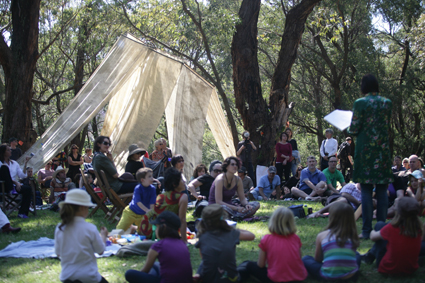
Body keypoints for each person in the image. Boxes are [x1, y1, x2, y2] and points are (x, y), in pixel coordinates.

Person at [348, 74, 393, 239]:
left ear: (364, 87)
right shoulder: (387, 103)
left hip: (365, 152)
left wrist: (349, 126)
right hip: (382, 152)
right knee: (382, 190)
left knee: (366, 190)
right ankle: (382, 229)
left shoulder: (360, 103)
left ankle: (366, 231)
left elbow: (353, 129)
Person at [238, 206, 307, 282]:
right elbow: (299, 258)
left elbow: (261, 264)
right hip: (298, 278)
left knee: (248, 265)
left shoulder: (267, 239)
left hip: (275, 279)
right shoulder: (295, 238)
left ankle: (236, 276)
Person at [54, 189, 109, 283]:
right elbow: (100, 251)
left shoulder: (60, 228)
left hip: (67, 277)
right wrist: (103, 236)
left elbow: (58, 253)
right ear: (83, 207)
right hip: (89, 277)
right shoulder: (90, 228)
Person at [125, 211, 193, 283]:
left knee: (129, 273)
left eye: (156, 227)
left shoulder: (158, 246)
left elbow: (144, 271)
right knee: (155, 265)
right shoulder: (182, 244)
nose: (156, 230)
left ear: (163, 227)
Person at [361, 197, 423, 275]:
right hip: (410, 270)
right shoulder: (419, 229)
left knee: (379, 225)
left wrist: (372, 231)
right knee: (384, 226)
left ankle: (370, 255)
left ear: (398, 212)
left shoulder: (392, 228)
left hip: (387, 269)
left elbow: (373, 237)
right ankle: (370, 255)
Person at [194, 204, 255, 283]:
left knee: (207, 261)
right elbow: (251, 236)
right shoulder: (231, 233)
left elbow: (204, 258)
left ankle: (198, 275)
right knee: (246, 265)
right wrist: (233, 229)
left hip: (207, 278)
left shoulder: (202, 237)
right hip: (231, 278)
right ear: (223, 218)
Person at [302, 202, 361, 281]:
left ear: (331, 217)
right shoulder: (353, 235)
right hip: (351, 276)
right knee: (357, 255)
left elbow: (318, 259)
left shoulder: (322, 236)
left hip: (328, 276)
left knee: (306, 259)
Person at [139, 167, 188, 242]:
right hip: (155, 232)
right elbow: (182, 220)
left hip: (145, 226)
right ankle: (133, 228)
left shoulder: (161, 196)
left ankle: (133, 228)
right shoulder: (183, 197)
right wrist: (184, 241)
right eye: (181, 179)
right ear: (174, 184)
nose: (184, 181)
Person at [116, 168, 156, 233]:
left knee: (143, 234)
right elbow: (138, 202)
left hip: (142, 215)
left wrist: (151, 212)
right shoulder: (138, 188)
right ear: (142, 180)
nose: (152, 178)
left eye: (152, 176)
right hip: (131, 212)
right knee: (119, 230)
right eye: (149, 176)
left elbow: (152, 202)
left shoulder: (153, 189)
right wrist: (147, 210)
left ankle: (134, 228)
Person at [0, 144, 32, 218]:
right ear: (3, 152)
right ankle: (11, 188)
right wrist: (16, 182)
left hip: (15, 187)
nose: (10, 150)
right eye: (8, 150)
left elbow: (22, 176)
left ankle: (22, 213)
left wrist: (25, 164)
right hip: (3, 186)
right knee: (4, 168)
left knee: (27, 189)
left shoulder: (14, 163)